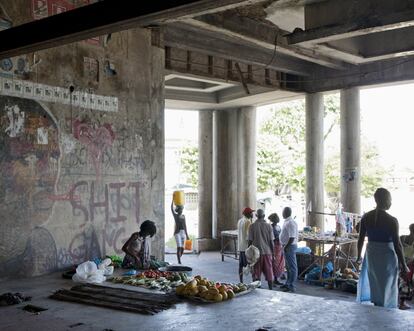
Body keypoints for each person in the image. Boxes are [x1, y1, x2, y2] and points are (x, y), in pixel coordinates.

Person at [357, 188, 409, 308]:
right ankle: (386, 311)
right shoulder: (392, 220)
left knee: (376, 284)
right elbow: (398, 245)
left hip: (372, 255)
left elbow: (360, 239)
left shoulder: (366, 217)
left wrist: (358, 256)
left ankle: (377, 306)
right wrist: (404, 265)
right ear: (386, 201)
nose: (391, 202)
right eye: (390, 199)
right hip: (387, 257)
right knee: (387, 286)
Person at [248, 209, 274, 290]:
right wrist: (273, 254)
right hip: (267, 252)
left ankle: (257, 289)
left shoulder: (252, 226)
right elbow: (271, 242)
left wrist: (249, 253)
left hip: (256, 254)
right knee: (269, 272)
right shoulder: (269, 226)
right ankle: (271, 289)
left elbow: (249, 241)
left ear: (256, 216)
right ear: (264, 216)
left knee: (256, 273)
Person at [279, 207, 298, 292]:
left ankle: (291, 285)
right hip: (286, 246)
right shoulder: (287, 221)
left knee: (292, 267)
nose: (282, 213)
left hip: (289, 246)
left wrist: (286, 247)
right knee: (288, 267)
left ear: (286, 212)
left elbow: (292, 237)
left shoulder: (290, 223)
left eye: (283, 212)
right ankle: (287, 283)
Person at [399, 223, 414, 309]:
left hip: (401, 262)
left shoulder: (402, 237)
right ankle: (402, 303)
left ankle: (401, 302)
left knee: (403, 282)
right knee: (406, 283)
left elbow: (396, 248)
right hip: (408, 264)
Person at [237, 207, 254, 283]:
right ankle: (254, 280)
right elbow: (248, 236)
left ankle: (241, 281)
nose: (252, 214)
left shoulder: (240, 221)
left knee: (240, 265)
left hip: (240, 246)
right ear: (248, 214)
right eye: (251, 213)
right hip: (246, 247)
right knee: (251, 265)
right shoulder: (248, 222)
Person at [269, 213, 285, 285]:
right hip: (274, 246)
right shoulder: (271, 227)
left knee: (279, 263)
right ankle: (273, 279)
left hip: (279, 246)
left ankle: (276, 278)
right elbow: (271, 238)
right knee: (274, 263)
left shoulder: (278, 227)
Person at [171, 200, 189, 264]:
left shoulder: (183, 216)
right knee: (179, 247)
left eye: (182, 209)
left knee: (182, 248)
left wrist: (187, 235)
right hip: (177, 233)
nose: (181, 210)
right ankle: (179, 261)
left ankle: (179, 257)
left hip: (183, 233)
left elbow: (185, 226)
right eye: (180, 209)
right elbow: (172, 209)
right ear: (178, 210)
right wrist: (173, 201)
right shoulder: (175, 216)